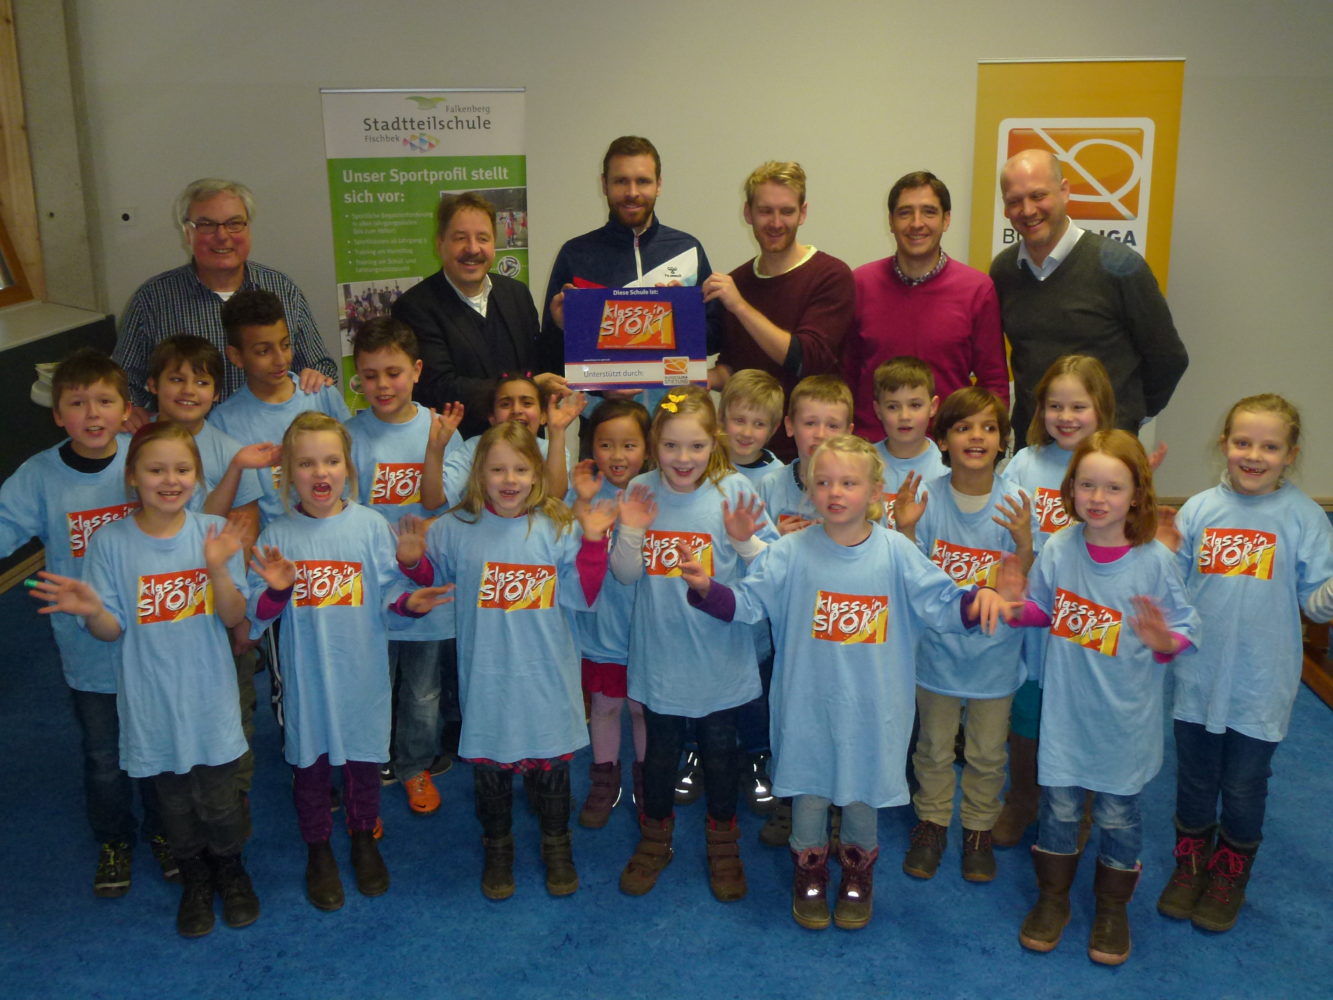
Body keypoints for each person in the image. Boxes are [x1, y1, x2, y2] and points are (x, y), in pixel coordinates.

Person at [679, 433, 1017, 929]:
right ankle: (809, 872)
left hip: (874, 708)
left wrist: (981, 598)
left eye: (849, 482)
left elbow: (944, 604)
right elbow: (747, 604)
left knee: (863, 796)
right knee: (810, 794)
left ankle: (858, 873)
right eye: (823, 482)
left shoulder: (897, 553)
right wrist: (707, 590)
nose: (835, 492)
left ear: (877, 492)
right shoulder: (790, 552)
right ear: (810, 491)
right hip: (806, 705)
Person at [32, 422, 257, 938]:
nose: (169, 480)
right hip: (150, 702)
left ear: (198, 478)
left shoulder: (211, 532)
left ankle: (231, 869)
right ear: (133, 477)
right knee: (173, 802)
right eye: (156, 470)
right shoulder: (111, 544)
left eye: (182, 469)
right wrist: (91, 611)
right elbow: (112, 631)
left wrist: (220, 568)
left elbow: (232, 616)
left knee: (221, 799)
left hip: (209, 696)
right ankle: (195, 875)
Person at [1003, 430, 1198, 966]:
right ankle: (1053, 898)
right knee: (1060, 811)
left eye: (1113, 487)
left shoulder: (1152, 561)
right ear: (1071, 488)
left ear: (1136, 494)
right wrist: (1018, 604)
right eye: (1086, 484)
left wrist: (1165, 643)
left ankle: (1112, 908)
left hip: (1124, 725)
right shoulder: (1062, 548)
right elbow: (1043, 607)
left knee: (1117, 817)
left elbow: (1185, 627)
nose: (1097, 497)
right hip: (1067, 714)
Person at [246, 413, 450, 912]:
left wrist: (411, 601)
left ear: (348, 467)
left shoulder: (369, 526)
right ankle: (317, 847)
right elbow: (255, 615)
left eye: (332, 460)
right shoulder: (278, 536)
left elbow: (391, 595)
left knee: (363, 760)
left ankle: (363, 838)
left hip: (362, 673)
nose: (322, 473)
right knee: (310, 765)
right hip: (305, 676)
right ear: (288, 473)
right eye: (307, 463)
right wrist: (276, 591)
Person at [409, 422, 615, 899]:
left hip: (546, 673)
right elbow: (428, 571)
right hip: (487, 675)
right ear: (479, 475)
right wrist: (411, 558)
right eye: (498, 469)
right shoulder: (456, 528)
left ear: (538, 474)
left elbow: (585, 593)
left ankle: (556, 842)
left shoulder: (558, 526)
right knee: (491, 770)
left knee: (552, 768)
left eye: (521, 469)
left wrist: (590, 543)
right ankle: (498, 845)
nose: (509, 479)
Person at [1156, 395, 1333, 933]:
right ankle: (1189, 865)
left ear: (1290, 454)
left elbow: (1314, 602)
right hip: (1197, 677)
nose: (1254, 455)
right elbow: (1172, 588)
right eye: (1242, 443)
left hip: (1261, 682)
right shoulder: (1200, 509)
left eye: (1270, 446)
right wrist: (1156, 553)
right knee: (1195, 778)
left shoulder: (1302, 516)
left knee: (1243, 784)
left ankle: (1230, 872)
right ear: (1224, 445)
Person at [0, 350, 172, 896]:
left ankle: (166, 832)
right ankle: (114, 838)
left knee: (159, 743)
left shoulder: (144, 459)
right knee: (104, 755)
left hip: (154, 639)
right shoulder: (39, 477)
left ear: (127, 410)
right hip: (87, 647)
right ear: (58, 415)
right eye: (77, 403)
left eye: (104, 401)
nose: (92, 414)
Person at [609, 386, 778, 901]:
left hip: (721, 657)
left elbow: (772, 570)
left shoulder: (734, 493)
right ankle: (655, 836)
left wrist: (746, 540)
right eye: (672, 447)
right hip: (661, 656)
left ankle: (723, 841)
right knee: (659, 754)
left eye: (697, 447)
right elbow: (622, 575)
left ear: (715, 443)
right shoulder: (639, 491)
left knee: (720, 752)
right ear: (655, 444)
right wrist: (633, 532)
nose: (684, 459)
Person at [893, 388, 1033, 883]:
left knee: (987, 752)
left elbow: (1024, 584)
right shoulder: (927, 496)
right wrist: (905, 532)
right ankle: (931, 821)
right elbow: (909, 577)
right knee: (931, 747)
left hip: (995, 659)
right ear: (944, 439)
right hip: (936, 655)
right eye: (963, 427)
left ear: (1002, 442)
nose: (977, 436)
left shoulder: (1016, 502)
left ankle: (978, 827)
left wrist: (1023, 544)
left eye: (989, 428)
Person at [145, 335, 277, 798]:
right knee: (165, 710)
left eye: (201, 381)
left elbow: (244, 530)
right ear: (152, 385)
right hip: (163, 613)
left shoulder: (229, 450)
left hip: (222, 607)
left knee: (233, 705)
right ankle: (174, 814)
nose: (188, 389)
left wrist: (243, 618)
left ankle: (232, 804)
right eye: (176, 378)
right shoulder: (134, 447)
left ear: (216, 391)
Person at [993, 355, 1116, 848]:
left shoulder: (1110, 462)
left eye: (1078, 406)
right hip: (1034, 615)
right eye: (1054, 405)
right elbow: (1005, 533)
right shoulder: (1025, 463)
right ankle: (1022, 797)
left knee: (1082, 708)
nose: (1066, 417)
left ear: (1101, 409)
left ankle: (1079, 806)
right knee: (1028, 707)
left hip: (1088, 613)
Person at [346, 318, 465, 815]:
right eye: (370, 375)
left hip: (429, 587)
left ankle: (415, 766)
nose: (382, 385)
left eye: (393, 372)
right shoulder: (349, 434)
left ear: (416, 371)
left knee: (422, 689)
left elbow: (436, 501)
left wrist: (434, 451)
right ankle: (368, 762)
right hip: (373, 588)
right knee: (372, 681)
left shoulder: (440, 431)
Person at [990, 151, 1188, 439]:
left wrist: (1128, 415)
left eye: (1038, 195)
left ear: (1065, 191)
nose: (1028, 210)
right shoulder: (1004, 271)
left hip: (1105, 454)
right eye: (1015, 201)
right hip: (1033, 448)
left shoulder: (1119, 266)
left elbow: (1168, 357)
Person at [114, 178, 337, 416]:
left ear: (248, 228)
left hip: (276, 440)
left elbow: (321, 367)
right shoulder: (152, 299)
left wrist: (316, 377)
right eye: (207, 225)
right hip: (190, 444)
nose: (222, 235)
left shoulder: (282, 290)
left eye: (234, 223)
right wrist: (130, 411)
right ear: (187, 233)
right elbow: (121, 381)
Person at [541, 136, 721, 414]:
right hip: (603, 425)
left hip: (675, 420)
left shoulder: (687, 249)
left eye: (643, 181)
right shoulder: (575, 254)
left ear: (659, 184)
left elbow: (714, 339)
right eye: (621, 181)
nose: (632, 192)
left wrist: (685, 318)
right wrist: (562, 328)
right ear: (604, 184)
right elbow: (550, 361)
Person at [705, 162, 854, 461]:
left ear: (803, 212)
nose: (775, 222)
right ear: (748, 213)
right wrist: (684, 375)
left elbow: (806, 359)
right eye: (765, 211)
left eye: (786, 211)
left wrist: (739, 306)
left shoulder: (831, 275)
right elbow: (733, 367)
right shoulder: (738, 283)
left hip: (812, 457)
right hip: (746, 455)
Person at [844, 171, 1007, 444]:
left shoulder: (977, 289)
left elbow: (994, 382)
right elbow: (844, 377)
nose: (917, 223)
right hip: (869, 452)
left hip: (949, 453)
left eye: (929, 212)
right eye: (905, 213)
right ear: (891, 222)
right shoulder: (860, 284)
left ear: (946, 220)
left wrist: (983, 445)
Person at [391, 192, 566, 440]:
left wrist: (558, 329)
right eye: (460, 238)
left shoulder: (516, 294)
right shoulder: (414, 308)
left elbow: (538, 367)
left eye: (482, 238)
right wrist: (525, 391)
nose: (472, 249)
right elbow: (439, 387)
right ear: (440, 244)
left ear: (494, 244)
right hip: (458, 455)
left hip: (526, 452)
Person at [568, 399, 653, 827]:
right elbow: (566, 552)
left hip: (647, 631)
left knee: (641, 709)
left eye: (628, 445)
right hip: (601, 626)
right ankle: (604, 779)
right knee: (603, 706)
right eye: (606, 444)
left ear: (647, 446)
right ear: (591, 446)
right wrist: (581, 505)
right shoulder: (582, 492)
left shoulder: (658, 491)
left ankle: (646, 779)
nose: (617, 456)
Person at [210, 290, 352, 529]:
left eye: (285, 345)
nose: (280, 360)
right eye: (263, 351)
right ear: (236, 356)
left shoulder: (321, 394)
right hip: (275, 549)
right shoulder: (223, 421)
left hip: (338, 538)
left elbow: (355, 467)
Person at [443, 374, 584, 499]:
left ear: (543, 415)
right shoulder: (473, 448)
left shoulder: (551, 449)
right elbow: (436, 499)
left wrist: (557, 431)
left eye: (527, 403)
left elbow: (554, 497)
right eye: (505, 404)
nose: (516, 410)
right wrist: (435, 449)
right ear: (492, 417)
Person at [868, 356, 947, 528]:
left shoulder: (947, 469)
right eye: (893, 407)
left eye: (915, 405)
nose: (904, 416)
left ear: (933, 407)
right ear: (878, 410)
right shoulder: (862, 462)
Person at [718, 369, 785, 486]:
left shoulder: (779, 478)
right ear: (721, 418)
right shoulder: (704, 463)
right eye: (739, 420)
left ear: (773, 429)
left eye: (759, 424)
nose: (747, 433)